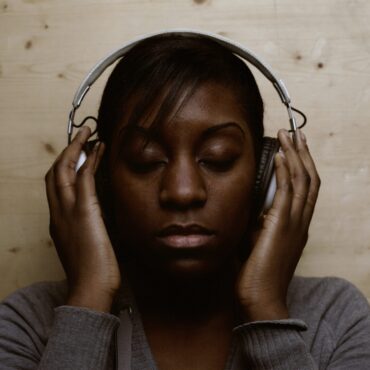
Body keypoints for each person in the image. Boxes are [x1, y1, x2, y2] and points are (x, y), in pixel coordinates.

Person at [1, 33, 370, 370]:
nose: (182, 191)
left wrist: (267, 311)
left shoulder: (335, 319)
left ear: (267, 177)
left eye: (218, 158)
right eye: (145, 159)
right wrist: (87, 301)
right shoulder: (28, 325)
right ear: (97, 180)